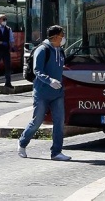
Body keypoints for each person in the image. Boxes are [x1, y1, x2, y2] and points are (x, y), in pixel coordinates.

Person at [17, 25, 71, 161]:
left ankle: (56, 152)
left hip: (57, 93)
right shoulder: (42, 50)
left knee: (59, 122)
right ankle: (22, 143)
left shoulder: (60, 50)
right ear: (55, 36)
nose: (63, 37)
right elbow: (37, 71)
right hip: (42, 93)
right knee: (37, 121)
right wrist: (49, 80)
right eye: (62, 35)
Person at [0, 14, 14, 88]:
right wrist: (2, 43)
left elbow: (11, 39)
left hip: (6, 50)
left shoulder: (8, 29)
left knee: (8, 66)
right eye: (3, 19)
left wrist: (12, 46)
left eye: (5, 19)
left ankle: (8, 82)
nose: (5, 21)